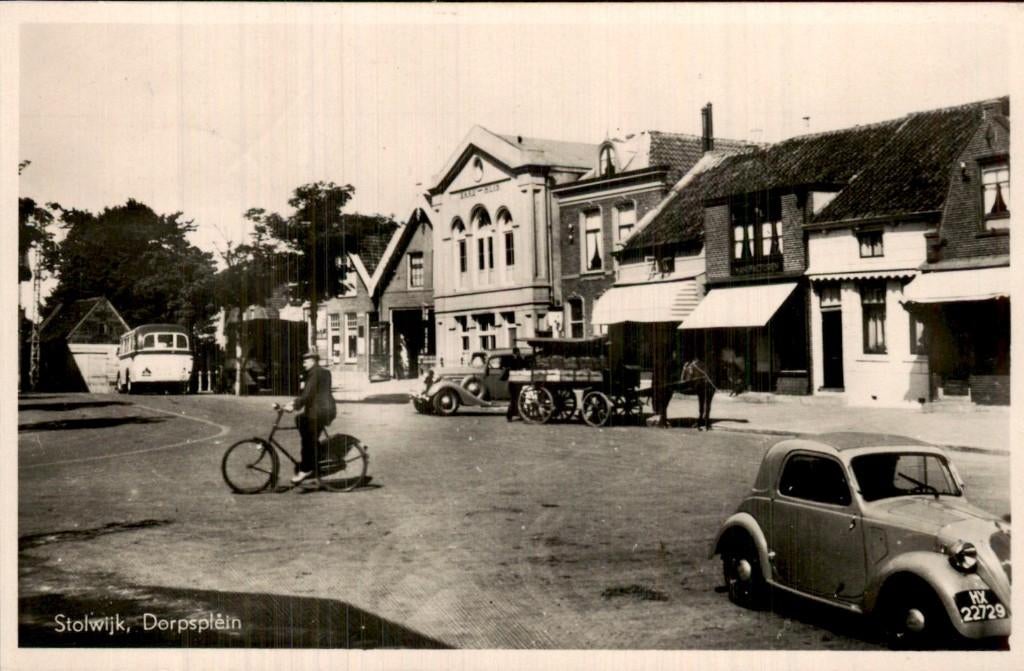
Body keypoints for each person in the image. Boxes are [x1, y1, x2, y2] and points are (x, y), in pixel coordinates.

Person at [287, 350, 337, 484]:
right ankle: (314, 452)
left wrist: (294, 405)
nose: (303, 364)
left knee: (307, 439)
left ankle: (306, 468)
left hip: (319, 412)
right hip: (323, 410)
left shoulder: (315, 373)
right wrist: (295, 403)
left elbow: (308, 394)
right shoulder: (321, 372)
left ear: (313, 361)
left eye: (305, 361)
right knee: (300, 421)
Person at [504, 347, 527, 421]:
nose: (519, 353)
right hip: (514, 382)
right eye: (518, 352)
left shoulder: (514, 359)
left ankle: (513, 414)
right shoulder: (513, 360)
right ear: (516, 352)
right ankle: (510, 415)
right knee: (514, 399)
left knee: (516, 399)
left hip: (515, 381)